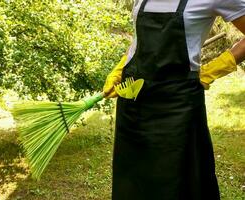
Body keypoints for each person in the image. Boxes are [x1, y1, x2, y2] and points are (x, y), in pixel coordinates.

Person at [103, 0, 245, 199]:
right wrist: (120, 69)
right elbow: (139, 41)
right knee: (132, 183)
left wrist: (217, 67)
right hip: (134, 106)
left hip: (178, 107)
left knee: (178, 183)